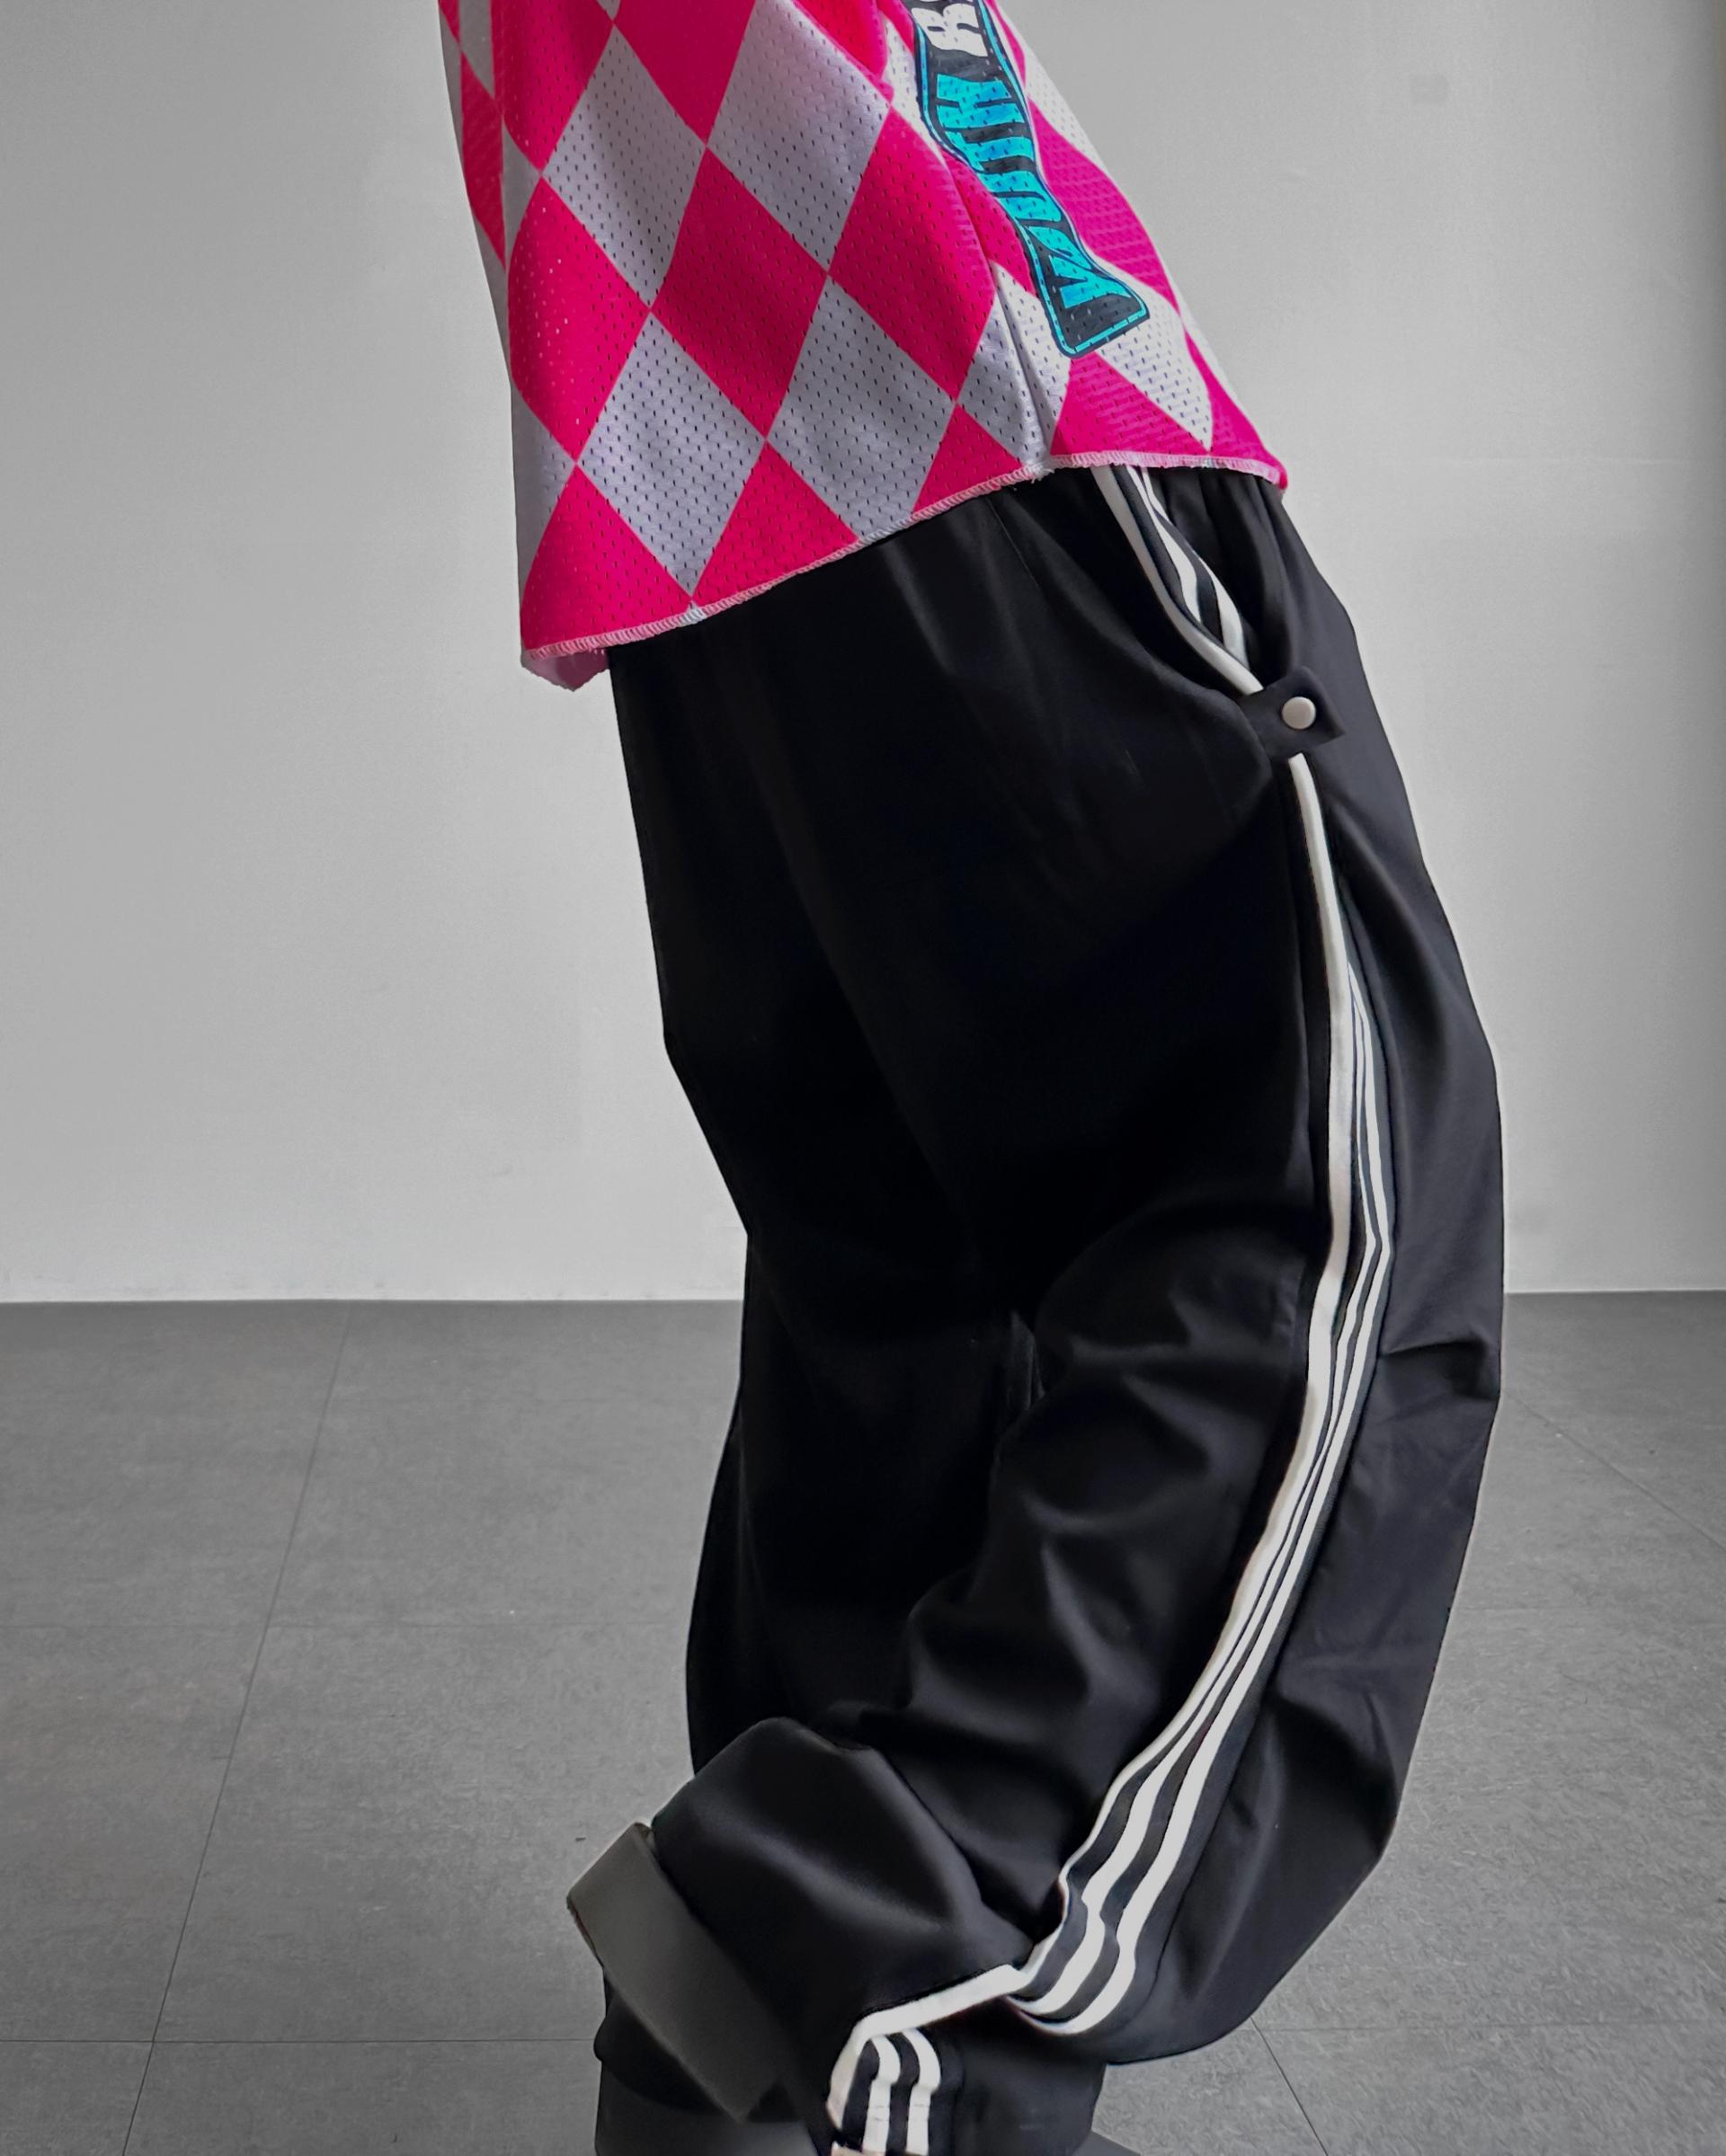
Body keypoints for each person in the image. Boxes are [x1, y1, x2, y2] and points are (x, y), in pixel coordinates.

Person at [437, 5, 1506, 2155]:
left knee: (919, 1273)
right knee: (1303, 1190)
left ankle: (763, 2067)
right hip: (927, 304)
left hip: (684, 388)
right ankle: (835, 1964)